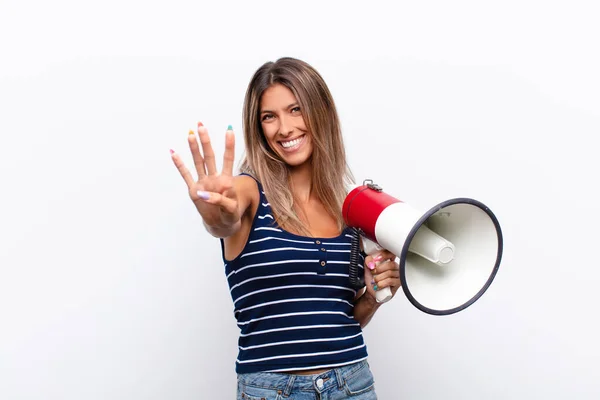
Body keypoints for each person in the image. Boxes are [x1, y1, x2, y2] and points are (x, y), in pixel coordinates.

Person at [171, 57, 401, 399]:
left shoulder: (346, 207)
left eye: (296, 109)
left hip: (351, 383)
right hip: (274, 391)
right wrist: (214, 212)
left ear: (320, 112)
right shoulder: (248, 192)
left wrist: (373, 297)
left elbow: (340, 319)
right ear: (259, 127)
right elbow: (224, 221)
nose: (284, 128)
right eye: (269, 116)